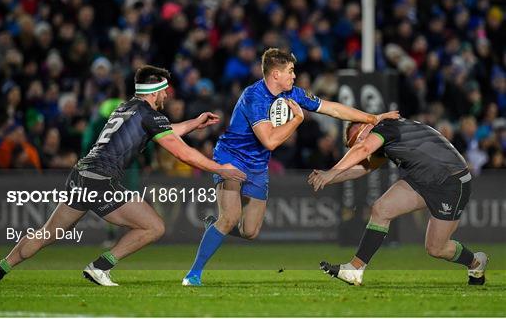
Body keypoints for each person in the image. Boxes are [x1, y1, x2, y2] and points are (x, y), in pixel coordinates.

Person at [0, 65, 246, 287]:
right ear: (154, 92)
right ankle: (99, 267)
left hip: (82, 175)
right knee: (154, 227)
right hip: (102, 181)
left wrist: (194, 122)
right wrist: (221, 169)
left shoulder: (126, 108)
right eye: (164, 89)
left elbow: (164, 130)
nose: (167, 94)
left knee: (49, 233)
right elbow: (184, 154)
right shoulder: (150, 116)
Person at [182, 48, 399, 286]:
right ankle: (193, 274)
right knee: (230, 216)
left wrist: (373, 118)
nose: (294, 76)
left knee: (250, 231)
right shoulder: (253, 96)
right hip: (231, 159)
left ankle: (215, 226)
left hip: (258, 165)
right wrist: (297, 120)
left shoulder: (293, 94)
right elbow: (270, 141)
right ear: (276, 74)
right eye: (290, 71)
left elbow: (332, 108)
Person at [308, 118, 488, 285]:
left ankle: (475, 262)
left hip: (451, 182)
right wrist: (328, 178)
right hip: (421, 179)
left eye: (358, 136)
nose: (359, 143)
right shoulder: (384, 139)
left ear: (369, 126)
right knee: (381, 209)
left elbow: (363, 150)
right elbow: (363, 168)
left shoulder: (386, 127)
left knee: (436, 248)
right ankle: (355, 269)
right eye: (355, 142)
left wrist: (332, 171)